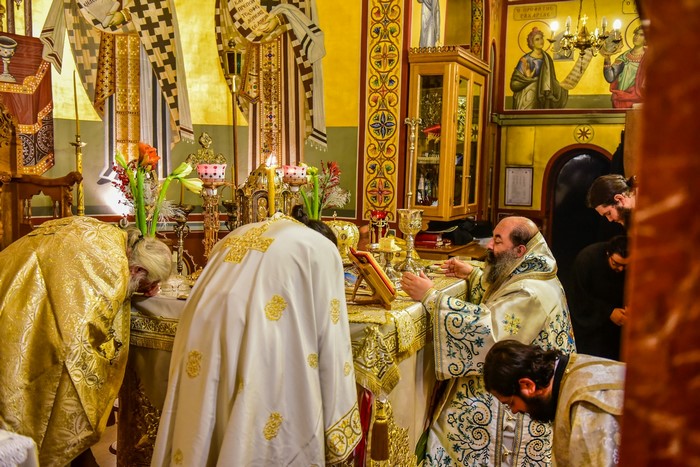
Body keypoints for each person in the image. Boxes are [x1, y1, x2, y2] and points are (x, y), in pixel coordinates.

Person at [151, 213, 362, 466]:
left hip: (201, 337)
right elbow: (332, 331)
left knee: (204, 426)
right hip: (258, 342)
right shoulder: (320, 247)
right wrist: (339, 423)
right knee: (251, 428)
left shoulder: (237, 233)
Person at [401, 216, 575, 466]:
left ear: (520, 250)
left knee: (454, 422)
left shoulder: (531, 292)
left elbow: (490, 335)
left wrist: (431, 297)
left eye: (498, 241)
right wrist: (473, 274)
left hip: (523, 394)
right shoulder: (531, 272)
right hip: (526, 373)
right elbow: (503, 296)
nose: (489, 246)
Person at [0, 216, 172, 466]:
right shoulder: (113, 269)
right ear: (137, 270)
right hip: (25, 315)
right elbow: (83, 335)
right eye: (148, 284)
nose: (147, 290)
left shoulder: (105, 233)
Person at [483, 340, 625, 467]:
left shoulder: (585, 404)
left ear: (527, 385)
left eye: (511, 403)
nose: (513, 411)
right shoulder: (571, 368)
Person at [569, 235, 629, 360]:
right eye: (616, 264)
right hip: (591, 330)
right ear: (608, 254)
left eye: (625, 266)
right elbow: (579, 298)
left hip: (618, 331)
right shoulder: (587, 259)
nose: (621, 269)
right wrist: (609, 312)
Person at [510, 26, 568, 109]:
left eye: (541, 38)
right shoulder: (525, 60)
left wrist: (562, 87)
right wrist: (529, 79)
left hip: (543, 94)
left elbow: (551, 79)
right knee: (532, 89)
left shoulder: (547, 58)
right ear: (532, 43)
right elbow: (514, 84)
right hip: (527, 94)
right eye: (537, 39)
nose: (541, 41)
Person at [603, 26, 647, 109]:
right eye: (636, 34)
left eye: (641, 35)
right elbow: (610, 77)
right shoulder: (624, 57)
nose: (636, 37)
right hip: (620, 99)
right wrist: (607, 56)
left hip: (639, 100)